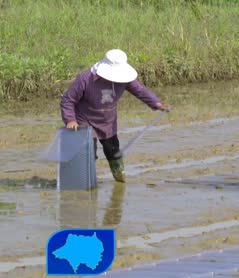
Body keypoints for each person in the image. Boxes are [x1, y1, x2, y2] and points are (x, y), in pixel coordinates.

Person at [60, 49, 170, 183]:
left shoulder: (124, 78)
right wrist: (70, 120)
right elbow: (68, 100)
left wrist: (157, 103)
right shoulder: (86, 79)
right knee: (88, 154)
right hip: (85, 120)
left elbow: (140, 91)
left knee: (114, 152)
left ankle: (120, 180)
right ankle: (84, 182)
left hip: (108, 122)